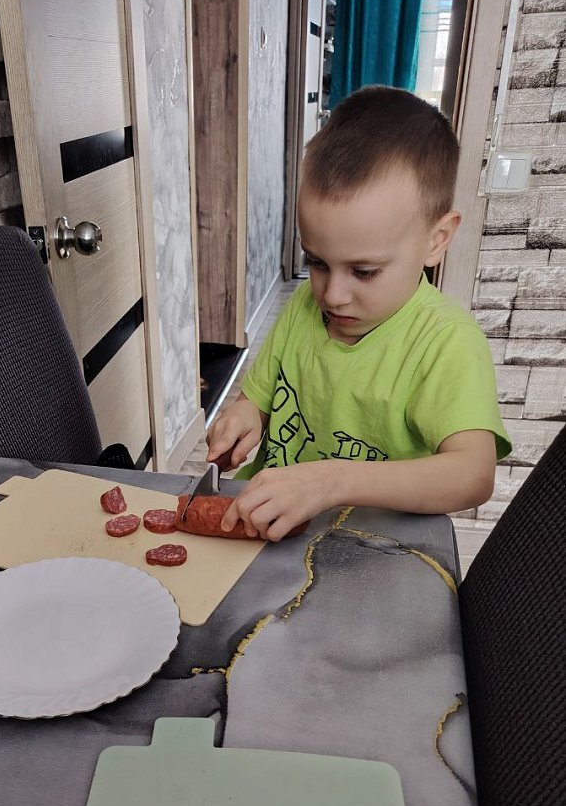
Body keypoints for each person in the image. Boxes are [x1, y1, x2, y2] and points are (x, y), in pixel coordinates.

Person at [207, 84, 510, 541]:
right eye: (317, 262)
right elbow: (258, 398)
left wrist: (331, 481)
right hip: (267, 535)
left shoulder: (446, 342)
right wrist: (244, 418)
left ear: (436, 240)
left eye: (364, 271)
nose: (333, 295)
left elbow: (473, 475)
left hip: (371, 549)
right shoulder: (305, 305)